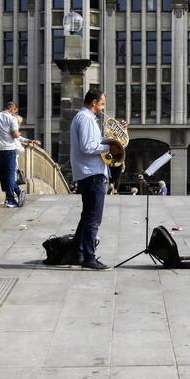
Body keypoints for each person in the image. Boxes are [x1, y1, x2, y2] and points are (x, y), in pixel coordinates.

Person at [70, 88, 115, 270]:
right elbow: (88, 147)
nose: (103, 108)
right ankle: (89, 257)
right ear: (94, 103)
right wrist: (109, 147)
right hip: (91, 172)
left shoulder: (82, 118)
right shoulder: (86, 119)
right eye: (102, 104)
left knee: (87, 215)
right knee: (94, 218)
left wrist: (110, 140)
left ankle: (77, 253)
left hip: (88, 171)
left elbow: (91, 143)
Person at [0, 101, 38, 207]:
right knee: (11, 175)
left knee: (4, 174)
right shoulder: (12, 119)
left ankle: (19, 193)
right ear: (12, 109)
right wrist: (18, 133)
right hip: (9, 149)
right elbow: (15, 134)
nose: (15, 114)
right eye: (15, 111)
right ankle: (10, 199)